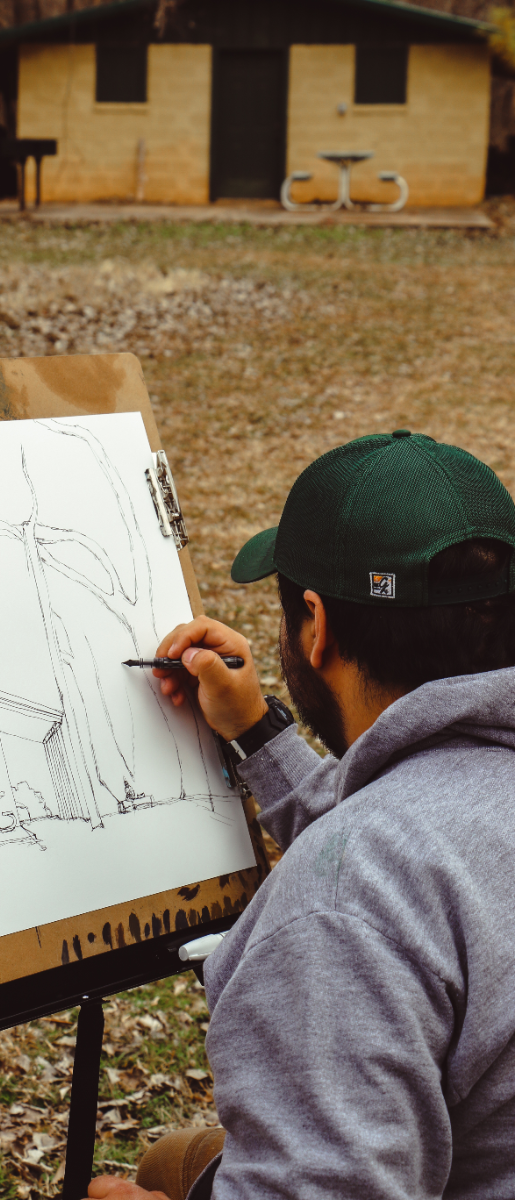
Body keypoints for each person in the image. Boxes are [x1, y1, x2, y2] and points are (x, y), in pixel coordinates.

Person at [86, 430, 515, 1200]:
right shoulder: (438, 823)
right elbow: (426, 828)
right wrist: (257, 732)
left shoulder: (343, 904)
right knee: (171, 1163)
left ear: (314, 625)